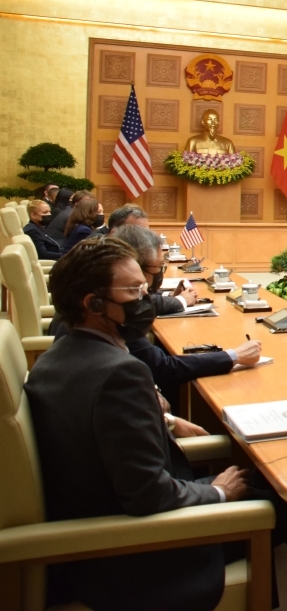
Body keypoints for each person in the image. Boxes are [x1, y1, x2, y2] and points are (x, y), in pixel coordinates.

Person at [25, 237, 254, 611]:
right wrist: (217, 493)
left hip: (89, 533)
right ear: (94, 304)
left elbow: (94, 429)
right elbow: (149, 495)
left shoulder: (57, 354)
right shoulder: (119, 373)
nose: (146, 300)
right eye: (134, 291)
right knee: (275, 500)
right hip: (134, 557)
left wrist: (161, 419)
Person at [103, 225, 255, 409]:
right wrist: (233, 356)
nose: (146, 295)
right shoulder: (115, 314)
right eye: (136, 288)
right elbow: (164, 368)